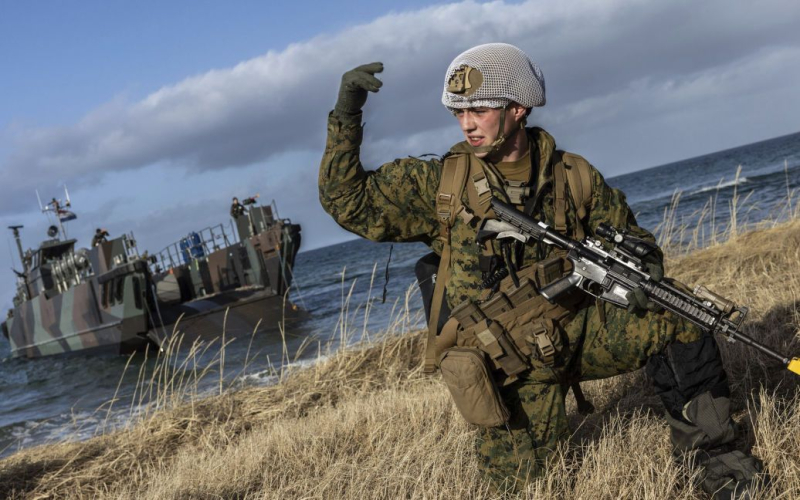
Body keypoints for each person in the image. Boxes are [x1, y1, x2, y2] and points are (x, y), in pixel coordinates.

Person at [318, 43, 764, 498]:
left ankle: (716, 461)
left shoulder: (573, 175)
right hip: (512, 366)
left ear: (518, 108)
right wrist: (346, 114)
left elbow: (637, 243)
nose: (467, 123)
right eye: (459, 112)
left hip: (581, 333)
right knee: (530, 489)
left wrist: (639, 273)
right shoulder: (438, 185)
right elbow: (346, 202)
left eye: (479, 110)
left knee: (679, 313)